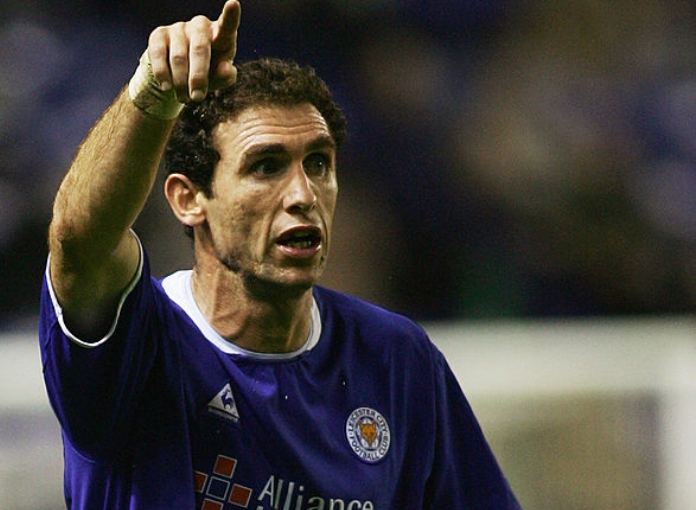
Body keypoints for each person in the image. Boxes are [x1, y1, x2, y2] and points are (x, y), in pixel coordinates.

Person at [39, 1, 522, 508]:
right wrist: (152, 94)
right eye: (266, 166)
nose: (303, 194)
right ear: (188, 199)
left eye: (318, 163)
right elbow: (77, 239)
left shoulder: (397, 359)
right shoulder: (136, 342)